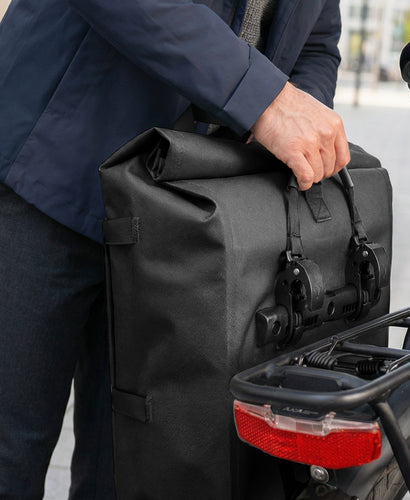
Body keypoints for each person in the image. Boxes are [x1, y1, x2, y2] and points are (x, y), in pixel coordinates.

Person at [0, 0, 349, 498]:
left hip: (174, 221)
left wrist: (297, 123)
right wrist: (264, 100)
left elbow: (316, 38)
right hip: (45, 165)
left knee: (129, 472)